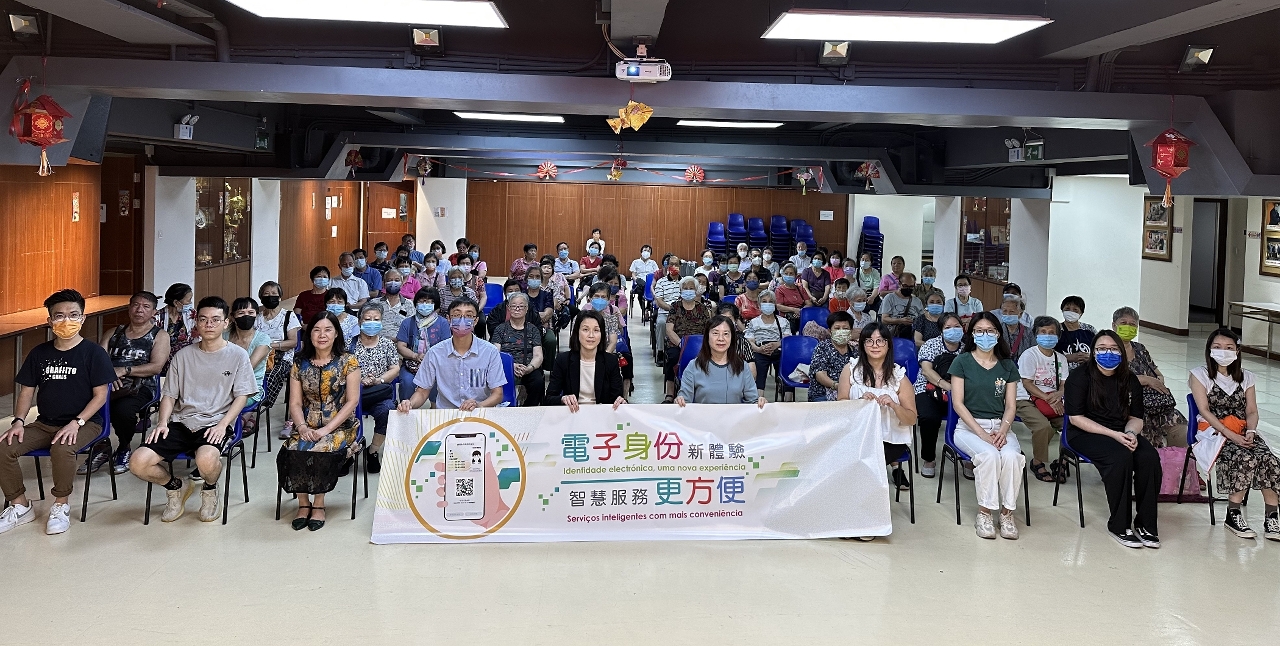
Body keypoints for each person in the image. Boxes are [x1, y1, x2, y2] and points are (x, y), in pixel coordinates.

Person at [128, 296, 258, 524]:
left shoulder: (238, 355)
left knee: (205, 460)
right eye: (204, 319)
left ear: (226, 323)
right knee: (138, 462)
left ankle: (210, 489)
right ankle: (175, 487)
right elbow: (169, 395)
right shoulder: (183, 356)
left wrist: (223, 425)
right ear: (196, 322)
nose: (209, 324)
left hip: (216, 422)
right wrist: (162, 423)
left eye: (215, 320)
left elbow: (242, 395)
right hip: (181, 422)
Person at [0, 290, 114, 536]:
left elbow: (101, 396)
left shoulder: (94, 353)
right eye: (59, 316)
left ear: (83, 318)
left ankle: (61, 505)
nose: (66, 320)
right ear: (50, 321)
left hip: (85, 423)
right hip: (44, 423)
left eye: (73, 315)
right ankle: (20, 506)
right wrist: (18, 422)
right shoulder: (39, 353)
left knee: (62, 448)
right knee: (4, 447)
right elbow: (26, 392)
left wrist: (76, 422)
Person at [1066, 330, 1162, 548]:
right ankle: (1119, 525)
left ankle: (1146, 525)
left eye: (1113, 349)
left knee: (1149, 458)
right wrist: (1114, 435)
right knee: (1120, 457)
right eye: (1101, 349)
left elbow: (1136, 417)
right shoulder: (1080, 377)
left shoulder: (1130, 379)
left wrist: (1131, 434)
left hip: (1122, 431)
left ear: (1121, 352)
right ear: (1093, 352)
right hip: (1084, 433)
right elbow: (1075, 418)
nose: (1107, 353)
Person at [1188, 328, 1280, 541]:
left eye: (1229, 348)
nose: (1223, 351)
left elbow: (1252, 411)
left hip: (1242, 430)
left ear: (1237, 351)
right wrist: (1229, 434)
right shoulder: (1200, 375)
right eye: (1218, 347)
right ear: (1209, 350)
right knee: (1244, 457)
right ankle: (1233, 514)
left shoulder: (1246, 377)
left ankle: (1272, 516)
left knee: (1269, 459)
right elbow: (1204, 411)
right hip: (1214, 432)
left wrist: (1251, 431)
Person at [947, 311, 1029, 540]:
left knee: (1012, 457)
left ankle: (1007, 514)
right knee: (990, 456)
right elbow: (958, 404)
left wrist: (1003, 430)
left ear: (998, 334)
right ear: (972, 334)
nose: (985, 335)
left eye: (990, 331)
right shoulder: (961, 362)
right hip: (969, 428)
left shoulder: (1007, 365)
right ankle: (984, 513)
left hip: (1001, 426)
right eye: (979, 331)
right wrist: (982, 433)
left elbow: (1011, 406)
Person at [278, 311, 361, 532]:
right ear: (309, 334)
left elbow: (352, 402)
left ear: (336, 334)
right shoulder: (299, 363)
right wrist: (302, 427)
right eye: (316, 330)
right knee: (293, 449)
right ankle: (303, 503)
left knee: (320, 449)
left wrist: (326, 430)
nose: (322, 335)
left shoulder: (348, 361)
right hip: (307, 423)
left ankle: (319, 504)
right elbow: (295, 403)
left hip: (340, 425)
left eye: (328, 330)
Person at [85, 291, 169, 476]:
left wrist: (124, 371)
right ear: (129, 308)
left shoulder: (159, 335)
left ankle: (123, 448)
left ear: (154, 312)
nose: (139, 310)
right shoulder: (113, 333)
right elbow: (98, 361)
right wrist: (109, 375)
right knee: (85, 402)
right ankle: (100, 446)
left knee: (123, 410)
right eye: (136, 305)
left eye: (146, 307)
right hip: (108, 383)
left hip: (141, 386)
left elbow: (156, 367)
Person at [837, 322, 918, 492]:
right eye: (869, 341)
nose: (875, 345)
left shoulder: (899, 377)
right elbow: (840, 406)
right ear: (862, 344)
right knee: (849, 460)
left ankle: (866, 499)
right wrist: (859, 402)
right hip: (856, 435)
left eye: (880, 340)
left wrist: (894, 405)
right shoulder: (851, 370)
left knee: (865, 464)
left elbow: (911, 419)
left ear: (888, 345)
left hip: (889, 440)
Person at [398, 297, 507, 412]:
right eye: (457, 315)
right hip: (446, 415)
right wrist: (410, 403)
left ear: (475, 321)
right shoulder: (435, 353)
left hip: (479, 414)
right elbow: (422, 391)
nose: (462, 319)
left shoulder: (490, 351)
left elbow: (497, 394)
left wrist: (478, 406)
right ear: (449, 319)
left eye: (469, 315)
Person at [1113, 307, 1187, 448]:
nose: (1128, 327)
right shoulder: (1109, 351)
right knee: (1142, 421)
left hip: (1153, 403)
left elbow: (1157, 373)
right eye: (1123, 323)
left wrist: (1158, 381)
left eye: (1133, 324)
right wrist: (1145, 380)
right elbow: (1112, 380)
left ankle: (1177, 458)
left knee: (1176, 420)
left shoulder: (1140, 349)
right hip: (1126, 405)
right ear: (1114, 325)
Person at [1015, 316, 1070, 483]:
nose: (1047, 335)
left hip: (1052, 400)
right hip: (1026, 399)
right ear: (1036, 335)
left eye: (1052, 332)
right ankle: (1037, 462)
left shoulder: (1061, 359)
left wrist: (1059, 395)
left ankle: (1062, 462)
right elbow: (1027, 383)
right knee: (1043, 427)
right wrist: (1049, 399)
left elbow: (1064, 385)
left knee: (1072, 425)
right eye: (1043, 332)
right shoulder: (1029, 355)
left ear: (1058, 336)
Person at [348, 303, 399, 472]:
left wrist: (379, 380)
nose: (372, 322)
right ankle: (347, 452)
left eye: (376, 319)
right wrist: (359, 380)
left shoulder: (387, 344)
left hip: (378, 393)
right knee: (340, 412)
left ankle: (373, 450)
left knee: (388, 411)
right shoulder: (349, 344)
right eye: (367, 319)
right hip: (352, 394)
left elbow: (395, 368)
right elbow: (340, 369)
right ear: (359, 321)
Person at [914, 313, 965, 477]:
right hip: (928, 389)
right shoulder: (931, 344)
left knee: (973, 413)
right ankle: (929, 459)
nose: (953, 330)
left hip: (960, 391)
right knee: (929, 418)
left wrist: (956, 390)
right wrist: (947, 386)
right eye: (948, 327)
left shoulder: (967, 348)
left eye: (957, 326)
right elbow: (927, 371)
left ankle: (968, 457)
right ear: (941, 330)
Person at [675, 315, 766, 408]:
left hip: (734, 417)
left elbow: (753, 401)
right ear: (707, 337)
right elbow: (684, 401)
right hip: (703, 417)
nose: (721, 338)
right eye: (715, 333)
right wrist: (679, 401)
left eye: (726, 334)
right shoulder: (694, 366)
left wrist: (760, 402)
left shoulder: (742, 366)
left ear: (732, 338)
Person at [544, 310, 626, 410]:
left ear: (602, 334)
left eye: (596, 330)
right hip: (573, 414)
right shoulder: (563, 360)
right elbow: (548, 398)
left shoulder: (611, 361)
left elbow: (617, 398)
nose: (591, 335)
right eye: (585, 329)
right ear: (577, 332)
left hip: (601, 415)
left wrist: (621, 402)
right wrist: (562, 399)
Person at [227, 297, 272, 443]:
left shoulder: (263, 339)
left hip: (250, 389)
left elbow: (247, 369)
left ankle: (227, 437)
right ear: (233, 317)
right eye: (241, 313)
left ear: (256, 315)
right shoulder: (224, 336)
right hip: (223, 385)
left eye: (251, 312)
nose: (246, 316)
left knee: (219, 402)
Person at [663, 276, 714, 404]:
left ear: (696, 290)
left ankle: (703, 390)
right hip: (678, 343)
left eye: (691, 288)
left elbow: (709, 330)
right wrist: (682, 344)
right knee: (673, 357)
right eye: (685, 288)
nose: (688, 290)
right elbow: (669, 329)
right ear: (681, 290)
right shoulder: (675, 306)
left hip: (699, 344)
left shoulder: (702, 308)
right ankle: (670, 393)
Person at [491, 292, 546, 407]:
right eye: (513, 306)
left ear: (527, 309)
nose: (517, 309)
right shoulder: (500, 329)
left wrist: (529, 368)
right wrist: (512, 365)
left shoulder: (533, 329)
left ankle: (528, 409)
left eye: (521, 306)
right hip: (506, 368)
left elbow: (538, 355)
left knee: (538, 382)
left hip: (528, 367)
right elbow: (495, 354)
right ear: (508, 308)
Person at [395, 288, 451, 400]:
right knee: (407, 382)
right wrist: (415, 356)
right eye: (421, 301)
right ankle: (407, 407)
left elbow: (446, 347)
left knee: (438, 382)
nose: (425, 305)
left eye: (429, 302)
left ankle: (435, 407)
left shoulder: (443, 323)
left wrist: (430, 358)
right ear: (416, 303)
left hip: (436, 365)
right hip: (411, 364)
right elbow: (401, 346)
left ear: (435, 304)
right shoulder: (407, 322)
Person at [255, 281, 301, 416]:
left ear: (280, 297)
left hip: (282, 356)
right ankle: (247, 408)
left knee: (271, 376)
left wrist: (270, 345)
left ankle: (255, 411)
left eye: (274, 293)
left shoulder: (288, 316)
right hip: (259, 355)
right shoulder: (257, 318)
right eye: (266, 294)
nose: (270, 296)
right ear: (261, 298)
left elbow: (293, 342)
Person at [745, 290, 794, 400]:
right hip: (760, 350)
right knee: (758, 369)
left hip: (779, 350)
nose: (767, 304)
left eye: (771, 301)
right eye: (764, 301)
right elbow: (749, 341)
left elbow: (788, 340)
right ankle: (759, 401)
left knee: (787, 367)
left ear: (775, 304)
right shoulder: (753, 322)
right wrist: (759, 349)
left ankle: (787, 403)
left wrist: (777, 344)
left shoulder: (783, 321)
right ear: (759, 305)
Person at [809, 311, 857, 402]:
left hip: (850, 393)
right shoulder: (822, 347)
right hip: (823, 394)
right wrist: (837, 386)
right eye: (837, 328)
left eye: (845, 328)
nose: (841, 331)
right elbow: (820, 375)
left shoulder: (855, 351)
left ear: (851, 331)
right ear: (830, 331)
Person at [158, 283, 195, 373]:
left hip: (188, 361)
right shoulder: (157, 317)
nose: (190, 303)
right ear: (176, 303)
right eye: (188, 300)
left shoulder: (192, 315)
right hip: (164, 362)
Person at [369, 269, 414, 343]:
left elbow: (412, 328)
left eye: (397, 280)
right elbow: (367, 324)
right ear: (384, 284)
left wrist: (399, 339)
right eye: (389, 280)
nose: (393, 283)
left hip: (400, 345)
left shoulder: (408, 304)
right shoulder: (374, 303)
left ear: (402, 283)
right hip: (376, 343)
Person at [715, 302, 757, 380]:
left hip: (738, 381)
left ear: (736, 321)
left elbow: (752, 374)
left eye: (729, 318)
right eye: (722, 318)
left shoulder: (744, 343)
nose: (725, 322)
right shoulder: (710, 341)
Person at [1056, 296, 1097, 370]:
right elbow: (1047, 355)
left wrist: (1091, 357)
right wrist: (1066, 358)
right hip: (1063, 374)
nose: (1071, 312)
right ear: (1062, 310)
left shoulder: (1089, 329)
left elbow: (1100, 350)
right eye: (1067, 309)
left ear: (1081, 313)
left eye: (1075, 310)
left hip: (1088, 373)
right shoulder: (1056, 330)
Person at [879, 272, 922, 339]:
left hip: (914, 333)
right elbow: (884, 319)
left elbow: (922, 319)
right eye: (905, 286)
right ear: (899, 284)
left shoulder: (917, 301)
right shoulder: (890, 298)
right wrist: (900, 320)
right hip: (895, 333)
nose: (908, 288)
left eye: (911, 286)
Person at [583, 281, 621, 354]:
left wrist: (604, 358)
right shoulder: (580, 318)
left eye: (603, 297)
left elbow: (612, 343)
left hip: (605, 355)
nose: (600, 299)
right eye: (596, 296)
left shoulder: (612, 319)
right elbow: (575, 340)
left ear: (608, 300)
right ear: (590, 298)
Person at [773, 263, 812, 329]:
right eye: (786, 273)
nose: (788, 276)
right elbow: (778, 306)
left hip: (801, 316)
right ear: (783, 275)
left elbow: (809, 304)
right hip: (786, 318)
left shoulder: (800, 288)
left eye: (791, 273)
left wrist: (800, 311)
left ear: (796, 275)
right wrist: (794, 310)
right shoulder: (779, 290)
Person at [652, 257, 684, 336]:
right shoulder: (661, 282)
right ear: (668, 266)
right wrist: (671, 309)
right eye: (671, 264)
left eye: (676, 264)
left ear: (680, 266)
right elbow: (659, 301)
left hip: (682, 312)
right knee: (661, 323)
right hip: (665, 313)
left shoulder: (684, 282)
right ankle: (660, 345)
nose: (674, 266)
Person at [629, 244, 659, 314]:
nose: (646, 252)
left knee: (652, 290)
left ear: (650, 254)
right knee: (640, 292)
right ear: (641, 252)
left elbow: (656, 274)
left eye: (648, 251)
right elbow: (633, 274)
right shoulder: (635, 262)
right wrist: (637, 280)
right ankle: (643, 310)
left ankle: (647, 309)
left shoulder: (653, 263)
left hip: (650, 282)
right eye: (645, 250)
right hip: (640, 283)